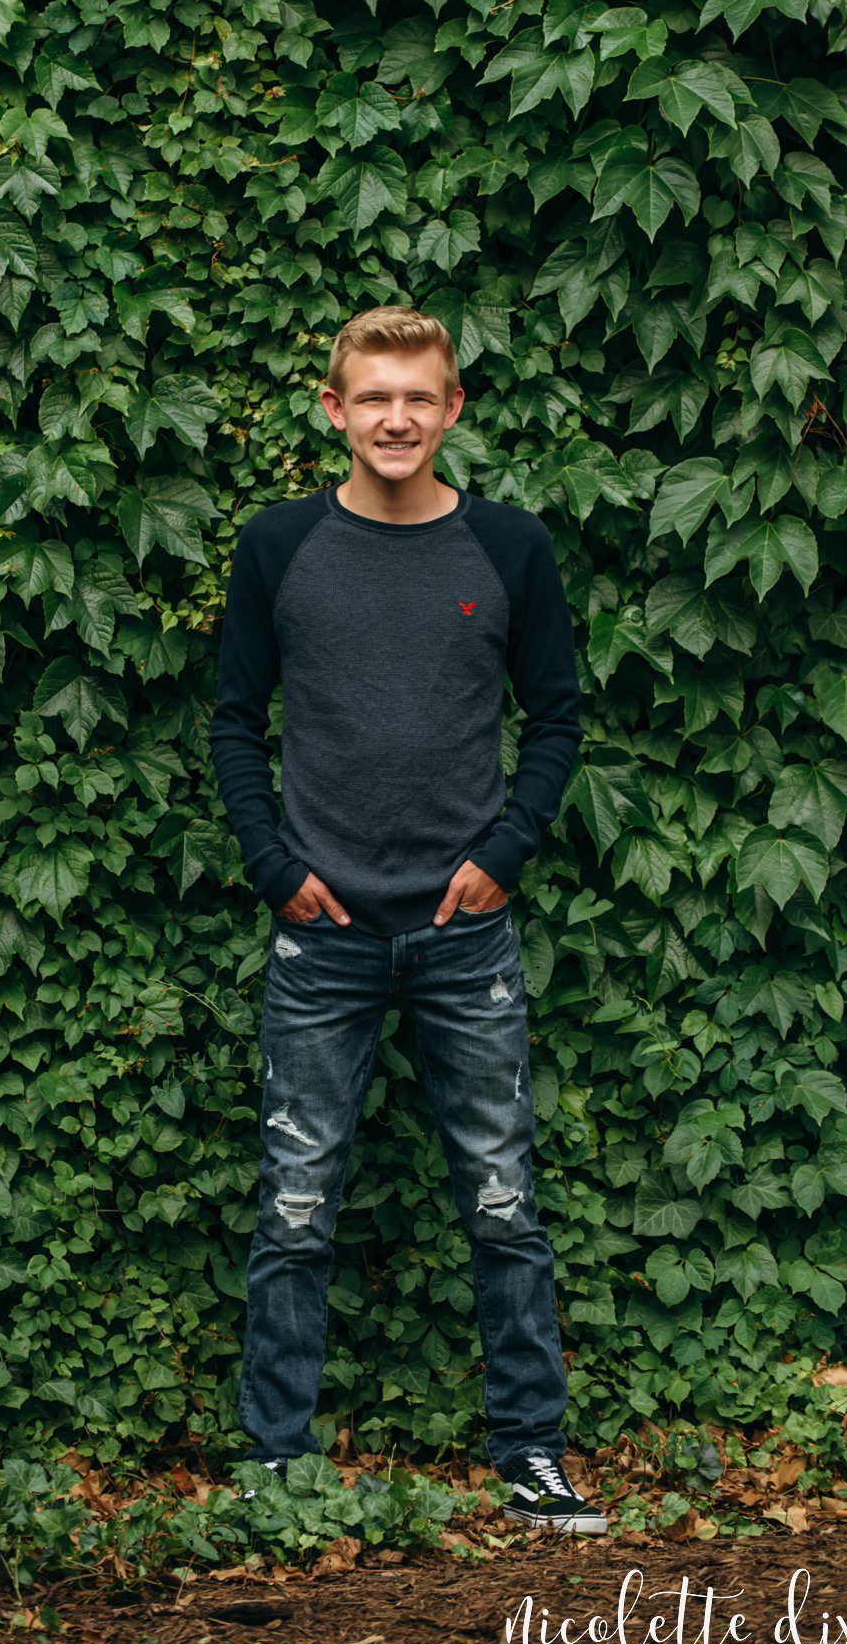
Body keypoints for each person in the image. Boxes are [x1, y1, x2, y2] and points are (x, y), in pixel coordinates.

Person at [209, 304, 604, 1533]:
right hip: (319, 932)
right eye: (372, 397)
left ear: (451, 409)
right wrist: (272, 867)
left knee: (501, 1199)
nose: (395, 419)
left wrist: (504, 855)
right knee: (293, 1205)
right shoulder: (278, 546)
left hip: (461, 932)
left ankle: (531, 1453)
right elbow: (232, 722)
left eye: (416, 397)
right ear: (333, 409)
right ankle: (274, 1464)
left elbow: (556, 717)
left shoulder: (508, 547)